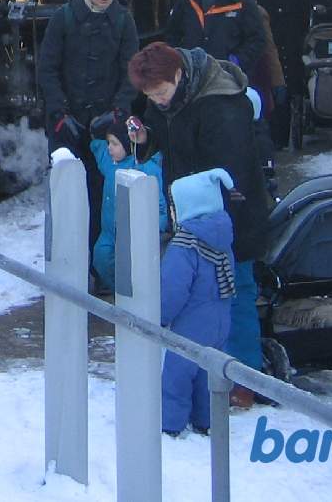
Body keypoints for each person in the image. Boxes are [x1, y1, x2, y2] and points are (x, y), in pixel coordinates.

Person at [127, 42, 271, 409]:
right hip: (190, 210)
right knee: (200, 298)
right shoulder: (166, 96)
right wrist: (145, 138)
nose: (156, 101)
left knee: (234, 289)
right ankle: (207, 369)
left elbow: (232, 175)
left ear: (179, 75)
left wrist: (215, 227)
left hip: (229, 215)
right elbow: (163, 131)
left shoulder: (221, 106)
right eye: (149, 95)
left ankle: (244, 377)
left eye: (160, 92)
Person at [36, 0, 140, 268]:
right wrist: (59, 111)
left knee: (101, 196)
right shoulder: (63, 19)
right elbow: (47, 69)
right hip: (67, 121)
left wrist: (118, 110)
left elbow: (131, 70)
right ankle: (68, 264)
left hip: (105, 124)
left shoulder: (123, 21)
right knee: (66, 196)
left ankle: (97, 263)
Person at [159, 169, 236, 438]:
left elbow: (173, 289)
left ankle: (170, 423)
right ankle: (208, 419)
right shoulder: (223, 237)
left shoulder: (184, 246)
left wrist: (160, 316)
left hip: (190, 324)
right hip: (220, 320)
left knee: (177, 374)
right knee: (210, 372)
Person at [244, 0, 311, 149]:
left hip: (260, 33)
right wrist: (301, 32)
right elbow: (304, 5)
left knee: (263, 81)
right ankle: (283, 135)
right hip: (289, 31)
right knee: (287, 80)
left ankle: (266, 134)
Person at [89, 123, 166, 296]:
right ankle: (120, 292)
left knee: (135, 266)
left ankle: (141, 296)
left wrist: (157, 227)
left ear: (128, 144)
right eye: (109, 142)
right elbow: (97, 146)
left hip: (133, 232)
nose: (110, 148)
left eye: (115, 144)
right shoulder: (109, 162)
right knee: (100, 258)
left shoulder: (143, 167)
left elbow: (159, 202)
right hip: (108, 231)